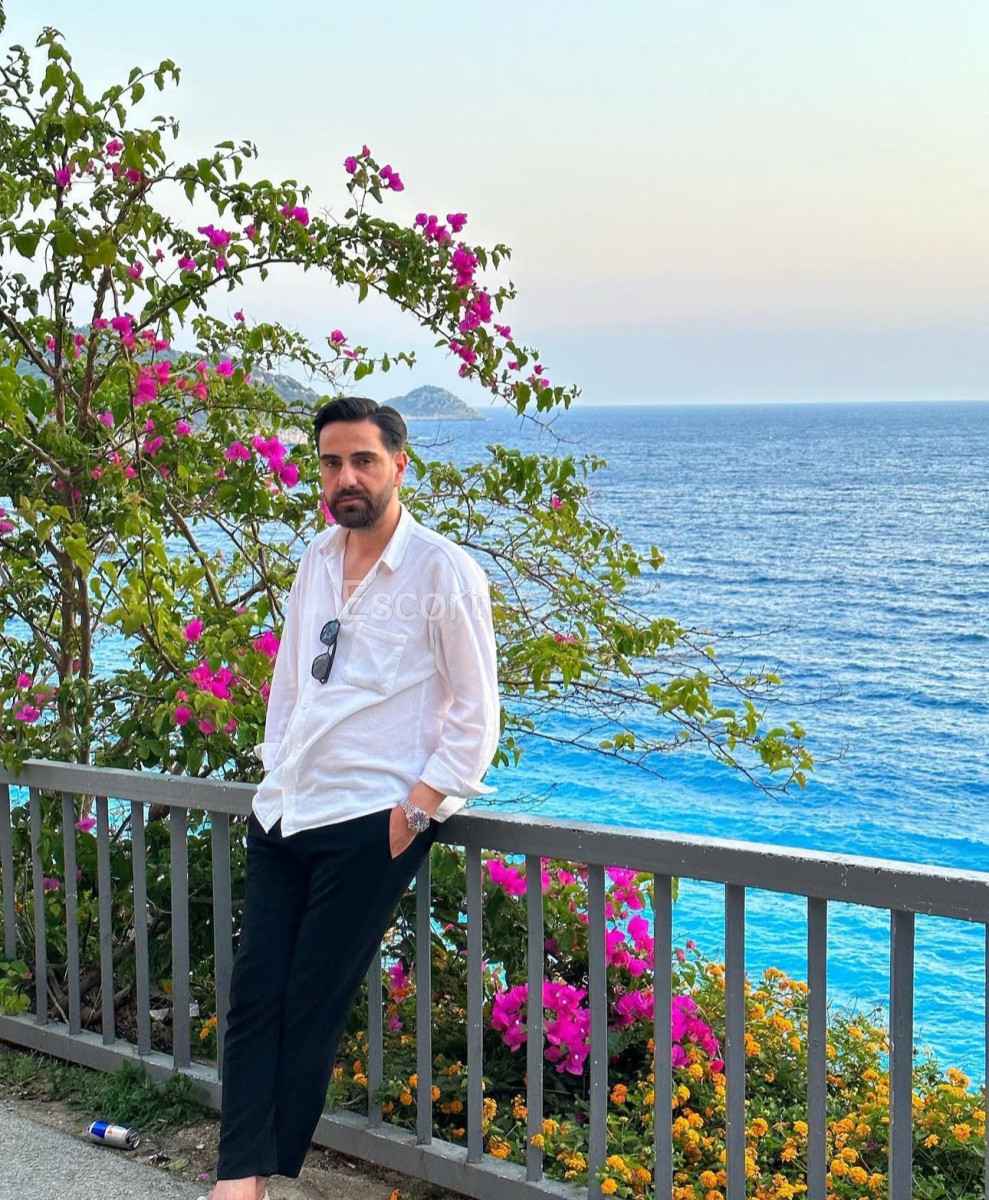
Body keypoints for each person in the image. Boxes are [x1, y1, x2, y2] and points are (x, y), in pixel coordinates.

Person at [201, 396, 500, 1200]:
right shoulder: (316, 558)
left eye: (363, 460)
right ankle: (238, 1177)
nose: (346, 478)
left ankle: (251, 1177)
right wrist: (274, 770)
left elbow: (476, 714)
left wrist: (416, 810)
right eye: (332, 462)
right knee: (254, 997)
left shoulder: (442, 571)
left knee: (310, 1001)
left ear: (398, 464)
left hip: (371, 819)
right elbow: (291, 681)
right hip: (288, 807)